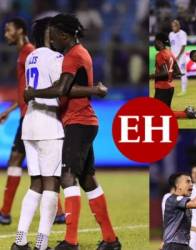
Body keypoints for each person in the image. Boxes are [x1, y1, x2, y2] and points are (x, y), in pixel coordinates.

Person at [24, 14, 121, 250]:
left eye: (55, 34)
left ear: (64, 34)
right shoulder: (80, 52)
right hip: (83, 121)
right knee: (87, 180)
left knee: (66, 176)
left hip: (78, 122)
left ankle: (71, 241)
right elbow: (70, 89)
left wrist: (32, 93)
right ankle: (110, 240)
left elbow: (62, 89)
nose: (52, 38)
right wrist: (94, 89)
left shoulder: (71, 56)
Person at [0, 17, 65, 225]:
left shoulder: (29, 52)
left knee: (22, 162)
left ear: (20, 30)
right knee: (25, 163)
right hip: (25, 113)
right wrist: (10, 109)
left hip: (32, 115)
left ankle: (5, 212)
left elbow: (34, 87)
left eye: (8, 29)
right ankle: (56, 212)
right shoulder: (24, 53)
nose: (5, 34)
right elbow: (23, 90)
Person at [150, 32, 196, 119]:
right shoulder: (169, 52)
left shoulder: (160, 55)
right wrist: (175, 74)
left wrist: (151, 76)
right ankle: (188, 112)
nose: (154, 44)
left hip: (162, 88)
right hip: (169, 88)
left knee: (159, 114)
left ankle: (188, 114)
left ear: (159, 42)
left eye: (155, 42)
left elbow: (165, 72)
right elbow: (177, 70)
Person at [169, 20, 188, 96]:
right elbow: (171, 46)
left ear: (178, 26)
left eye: (175, 26)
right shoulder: (170, 34)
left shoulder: (183, 33)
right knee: (169, 72)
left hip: (181, 57)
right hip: (173, 56)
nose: (173, 27)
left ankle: (183, 90)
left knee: (182, 72)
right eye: (172, 26)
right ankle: (168, 89)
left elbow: (183, 46)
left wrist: (178, 56)